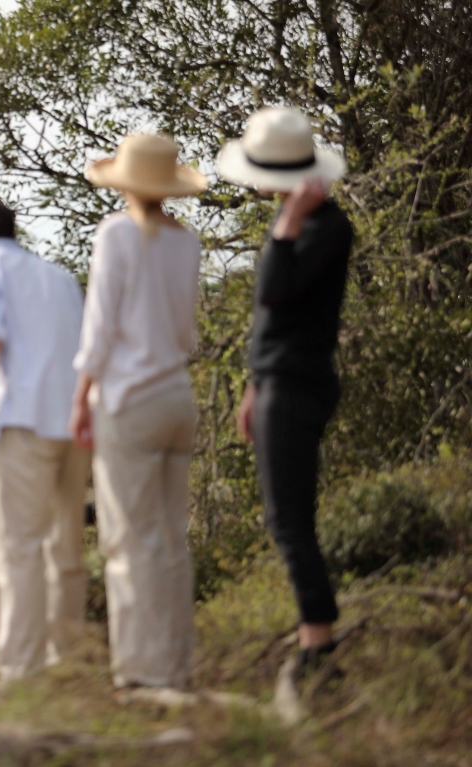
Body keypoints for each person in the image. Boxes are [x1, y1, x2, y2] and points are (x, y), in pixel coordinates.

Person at [69, 134, 208, 690]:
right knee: (171, 540)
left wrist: (80, 397)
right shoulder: (188, 242)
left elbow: (99, 327)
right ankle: (175, 666)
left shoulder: (118, 232)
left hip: (129, 399)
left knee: (129, 542)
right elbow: (184, 334)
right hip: (177, 396)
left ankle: (139, 674)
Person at [217, 107, 351, 669]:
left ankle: (318, 645)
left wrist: (289, 220)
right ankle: (314, 637)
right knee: (286, 516)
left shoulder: (324, 226)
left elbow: (273, 291)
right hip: (278, 381)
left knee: (288, 518)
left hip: (297, 384)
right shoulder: (300, 223)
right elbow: (274, 322)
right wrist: (253, 386)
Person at [0, 196, 90, 687]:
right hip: (76, 421)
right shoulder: (58, 276)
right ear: (14, 231)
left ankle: (21, 670)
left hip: (23, 423)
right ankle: (66, 657)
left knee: (18, 548)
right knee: (66, 546)